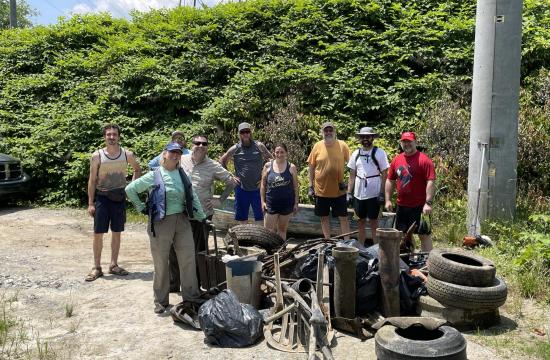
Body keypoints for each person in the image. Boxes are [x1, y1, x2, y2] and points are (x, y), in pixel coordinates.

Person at [125, 142, 207, 314]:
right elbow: (130, 189)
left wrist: (201, 217)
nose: (175, 155)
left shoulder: (182, 174)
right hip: (161, 223)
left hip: (182, 220)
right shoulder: (155, 175)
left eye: (178, 153)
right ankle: (161, 302)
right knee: (161, 262)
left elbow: (192, 196)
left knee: (188, 258)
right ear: (164, 155)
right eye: (172, 153)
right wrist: (141, 208)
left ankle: (191, 297)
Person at [178, 134, 236, 286]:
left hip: (202, 214)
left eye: (204, 144)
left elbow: (232, 181)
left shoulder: (212, 165)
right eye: (197, 143)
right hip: (181, 212)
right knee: (179, 248)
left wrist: (220, 200)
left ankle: (198, 282)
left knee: (199, 250)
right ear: (192, 145)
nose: (201, 146)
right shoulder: (181, 159)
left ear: (207, 147)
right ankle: (179, 282)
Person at [86, 124, 141, 282]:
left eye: (114, 134)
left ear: (119, 136)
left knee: (117, 232)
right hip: (102, 198)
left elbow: (137, 169)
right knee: (98, 234)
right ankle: (97, 267)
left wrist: (131, 187)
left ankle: (113, 265)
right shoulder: (97, 156)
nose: (111, 137)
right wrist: (91, 203)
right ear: (104, 136)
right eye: (109, 134)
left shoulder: (126, 154)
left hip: (119, 198)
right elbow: (92, 180)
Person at [385, 131, 436, 252]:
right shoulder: (396, 160)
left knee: (424, 234)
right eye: (404, 142)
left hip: (420, 206)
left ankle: (426, 263)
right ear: (401, 143)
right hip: (402, 205)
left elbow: (431, 181)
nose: (407, 144)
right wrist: (387, 200)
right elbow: (390, 180)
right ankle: (410, 260)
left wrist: (428, 203)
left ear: (415, 142)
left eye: (409, 142)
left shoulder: (424, 160)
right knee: (404, 235)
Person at [219, 122, 273, 224]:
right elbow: (222, 161)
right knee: (242, 218)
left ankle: (260, 238)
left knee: (261, 216)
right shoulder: (235, 148)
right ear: (239, 134)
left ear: (250, 133)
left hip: (257, 188)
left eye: (247, 131)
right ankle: (244, 238)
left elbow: (271, 161)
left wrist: (263, 179)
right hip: (241, 188)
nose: (245, 134)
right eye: (242, 132)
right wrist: (230, 175)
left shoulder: (259, 146)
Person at [307, 122, 351, 239]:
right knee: (324, 217)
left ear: (334, 132)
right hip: (321, 190)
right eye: (326, 130)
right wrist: (310, 186)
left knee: (343, 217)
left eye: (330, 130)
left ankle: (346, 242)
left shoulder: (342, 145)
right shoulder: (317, 145)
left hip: (339, 190)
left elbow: (352, 166)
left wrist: (349, 185)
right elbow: (311, 166)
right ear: (322, 132)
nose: (328, 133)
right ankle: (327, 241)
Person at [347, 126, 389, 246]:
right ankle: (361, 247)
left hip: (373, 192)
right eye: (363, 137)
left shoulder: (379, 153)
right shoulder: (356, 153)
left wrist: (382, 193)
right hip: (359, 193)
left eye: (368, 137)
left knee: (374, 222)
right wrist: (349, 193)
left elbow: (385, 174)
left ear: (372, 138)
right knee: (360, 221)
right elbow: (352, 175)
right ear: (360, 138)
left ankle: (376, 248)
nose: (365, 139)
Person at [260, 143, 299, 240]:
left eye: (282, 152)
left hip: (286, 204)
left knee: (282, 230)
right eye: (277, 152)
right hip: (271, 204)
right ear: (274, 153)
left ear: (286, 153)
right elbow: (263, 185)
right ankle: (269, 253)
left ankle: (281, 252)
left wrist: (296, 203)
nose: (279, 154)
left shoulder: (291, 167)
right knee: (268, 231)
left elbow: (295, 187)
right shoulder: (268, 166)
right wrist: (262, 201)